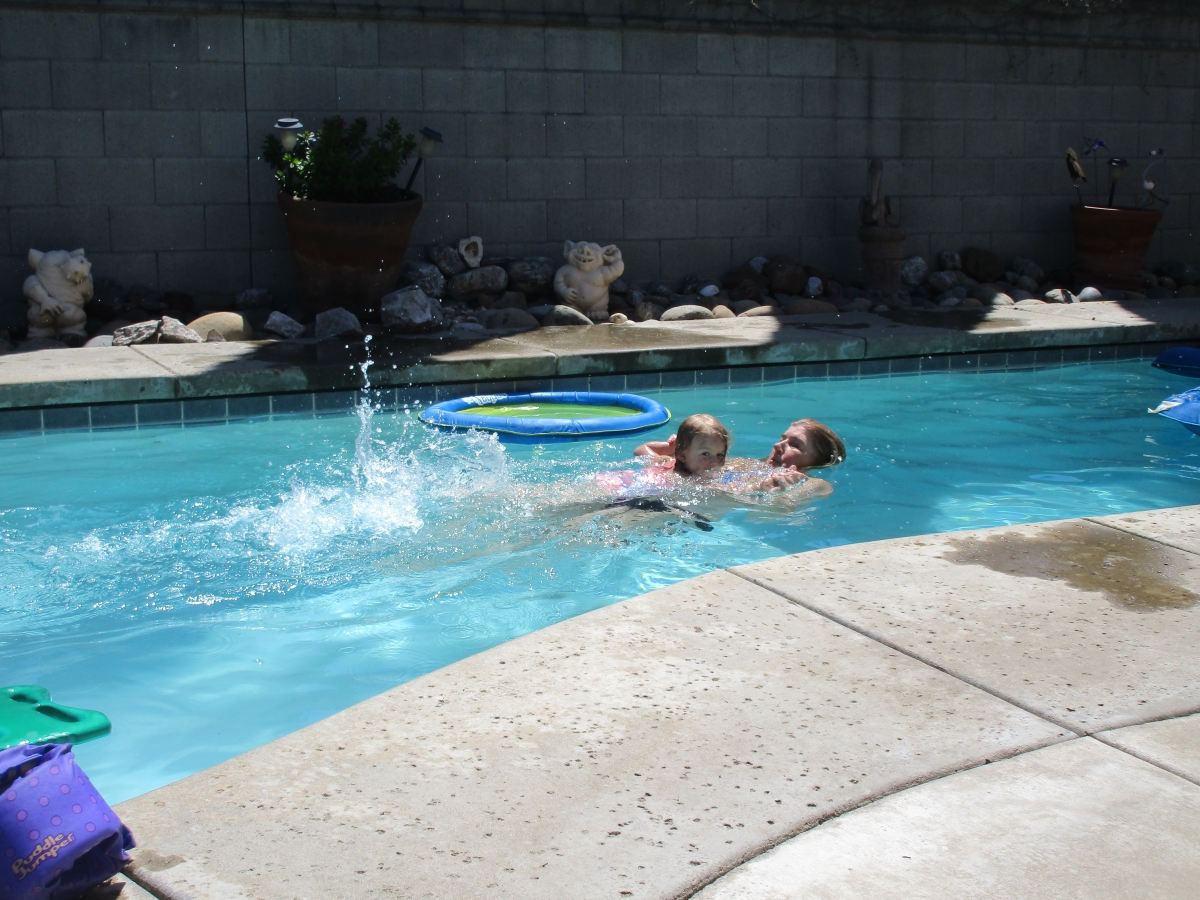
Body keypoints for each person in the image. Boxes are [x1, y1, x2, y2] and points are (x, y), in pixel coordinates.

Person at [636, 417, 845, 496]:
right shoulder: (740, 464)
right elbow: (645, 454)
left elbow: (822, 488)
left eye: (794, 445)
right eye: (782, 439)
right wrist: (672, 449)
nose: (778, 445)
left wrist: (795, 481)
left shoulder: (803, 479)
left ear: (817, 461)